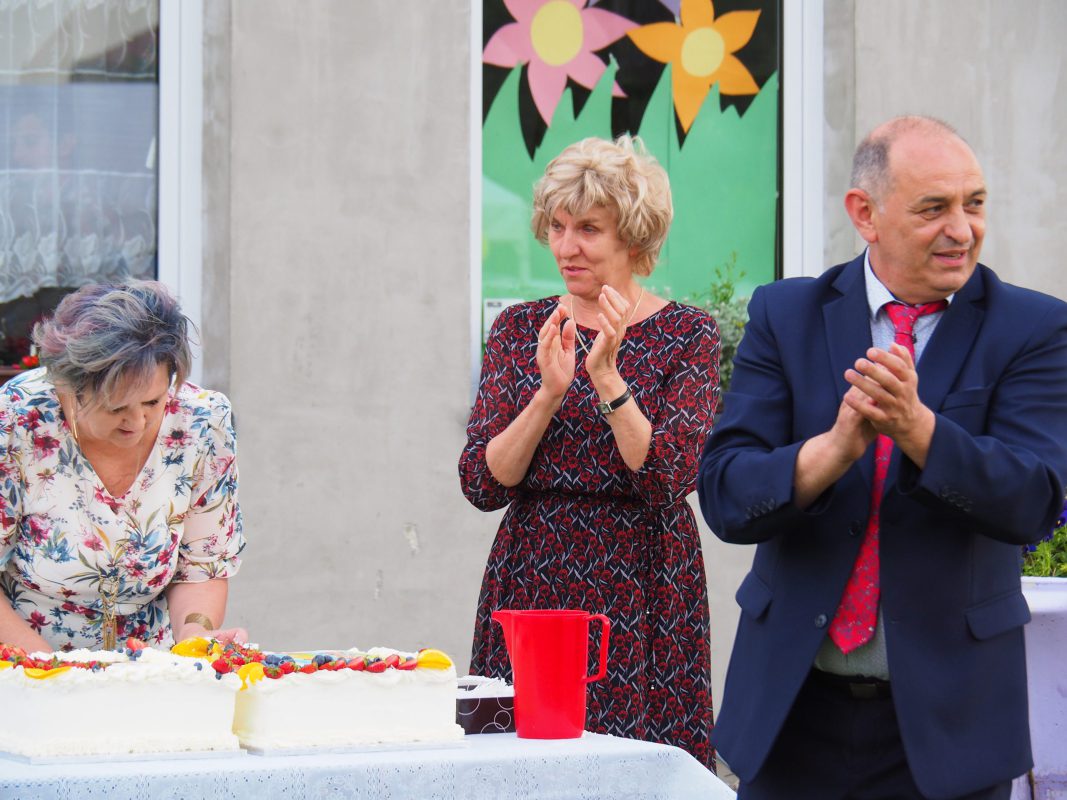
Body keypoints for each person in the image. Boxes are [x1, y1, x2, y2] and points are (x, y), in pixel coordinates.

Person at [698, 115, 1067, 799]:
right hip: (792, 717)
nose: (961, 230)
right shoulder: (786, 314)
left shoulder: (1033, 328)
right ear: (864, 214)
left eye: (974, 203)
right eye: (933, 209)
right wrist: (833, 451)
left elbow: (1033, 502)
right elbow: (725, 494)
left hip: (950, 729)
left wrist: (919, 431)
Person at [460, 135, 721, 767]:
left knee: (642, 767)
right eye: (557, 226)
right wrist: (547, 395)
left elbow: (666, 478)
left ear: (633, 237)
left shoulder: (688, 334)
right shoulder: (519, 329)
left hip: (645, 576)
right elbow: (482, 484)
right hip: (536, 570)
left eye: (589, 229)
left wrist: (607, 379)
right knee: (523, 763)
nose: (566, 247)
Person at [0, 280, 246, 652]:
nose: (138, 422)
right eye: (116, 407)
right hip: (27, 660)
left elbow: (202, 568)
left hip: (148, 666)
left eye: (153, 401)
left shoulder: (203, 423)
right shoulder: (16, 420)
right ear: (67, 388)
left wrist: (195, 637)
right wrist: (51, 669)